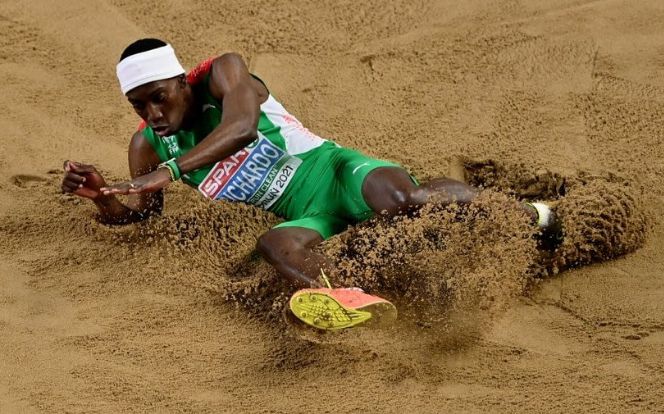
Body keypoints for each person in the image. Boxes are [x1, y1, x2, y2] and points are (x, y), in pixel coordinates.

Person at [62, 38, 561, 329]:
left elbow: (243, 128)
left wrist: (170, 172)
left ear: (178, 82)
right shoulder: (147, 145)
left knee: (401, 200)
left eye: (158, 98)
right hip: (309, 212)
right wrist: (103, 196)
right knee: (275, 243)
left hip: (338, 173)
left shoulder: (223, 75)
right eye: (138, 106)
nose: (153, 114)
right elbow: (142, 215)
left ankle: (522, 212)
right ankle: (349, 298)